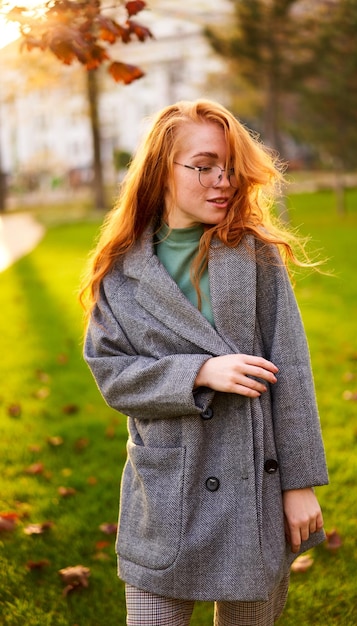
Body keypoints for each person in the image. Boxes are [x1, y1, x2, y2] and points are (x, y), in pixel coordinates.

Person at [80, 99, 328, 626]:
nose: (223, 181)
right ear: (160, 169)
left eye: (231, 168)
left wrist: (299, 483)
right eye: (205, 165)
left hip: (253, 493)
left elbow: (293, 368)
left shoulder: (255, 254)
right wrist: (197, 373)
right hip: (167, 493)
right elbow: (112, 374)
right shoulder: (120, 271)